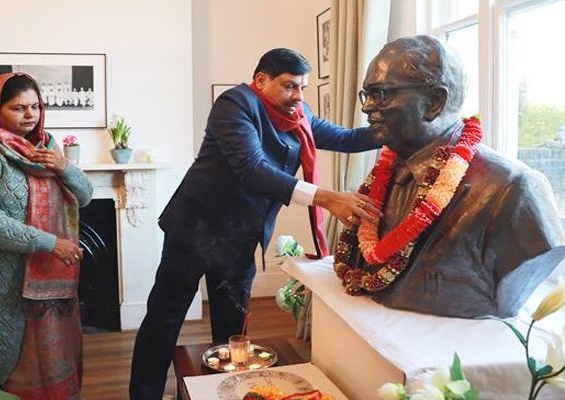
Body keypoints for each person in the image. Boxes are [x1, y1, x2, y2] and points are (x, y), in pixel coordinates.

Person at [129, 48, 382, 400]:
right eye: (290, 86)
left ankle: (218, 393)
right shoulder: (235, 104)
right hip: (195, 230)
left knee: (232, 331)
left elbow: (345, 138)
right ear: (261, 80)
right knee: (165, 319)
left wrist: (395, 128)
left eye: (303, 87)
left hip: (240, 237)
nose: (299, 96)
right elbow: (253, 169)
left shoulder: (300, 114)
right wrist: (326, 197)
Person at [333, 34, 565, 319]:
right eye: (366, 94)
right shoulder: (385, 174)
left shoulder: (513, 188)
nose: (367, 107)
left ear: (434, 102)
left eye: (381, 93)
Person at [0, 72, 93, 399]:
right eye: (18, 108)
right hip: (1, 281)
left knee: (54, 359)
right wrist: (50, 243)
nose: (30, 114)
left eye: (35, 106)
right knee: (7, 366)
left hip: (50, 286)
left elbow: (85, 196)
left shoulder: (48, 149)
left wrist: (64, 167)